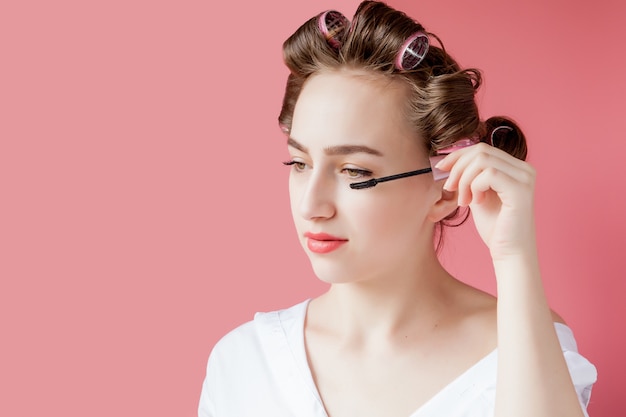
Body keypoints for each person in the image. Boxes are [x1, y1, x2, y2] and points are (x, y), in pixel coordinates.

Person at [198, 1, 597, 416]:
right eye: (299, 163)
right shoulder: (244, 363)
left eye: (354, 171)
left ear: (443, 190)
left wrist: (514, 259)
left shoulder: (524, 347)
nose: (310, 206)